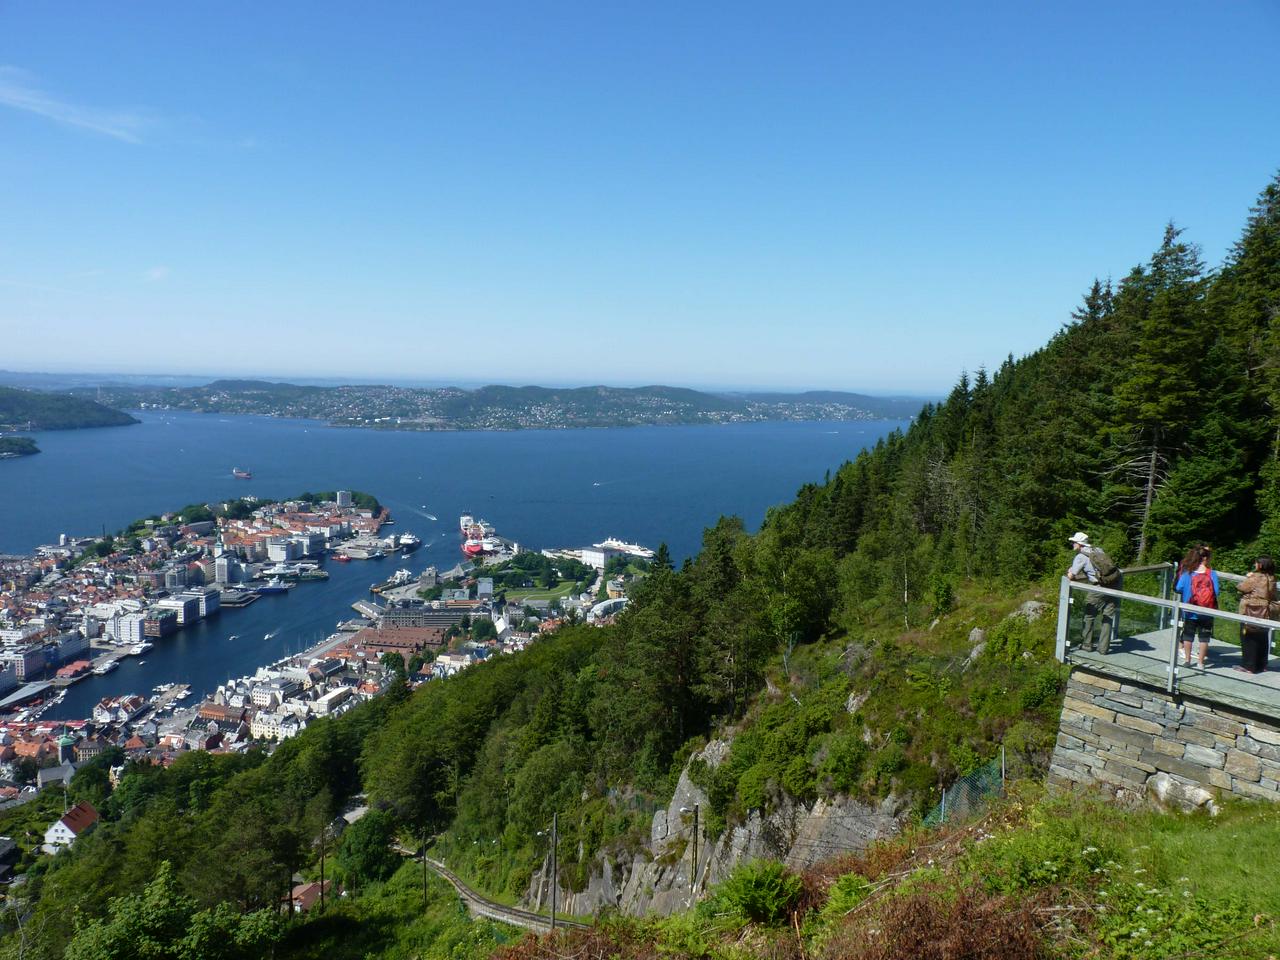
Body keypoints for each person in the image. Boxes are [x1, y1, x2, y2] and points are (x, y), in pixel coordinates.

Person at [1066, 531, 1117, 654]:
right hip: (1115, 583)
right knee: (1108, 616)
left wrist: (1069, 571)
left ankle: (1087, 645)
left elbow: (1071, 576)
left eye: (1074, 542)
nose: (1072, 544)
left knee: (1088, 615)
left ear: (1079, 544)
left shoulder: (1080, 557)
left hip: (1099, 586)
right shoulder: (1098, 550)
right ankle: (1103, 649)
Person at [1173, 544, 1219, 669]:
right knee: (1204, 638)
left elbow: (1178, 588)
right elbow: (1217, 591)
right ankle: (1200, 663)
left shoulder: (1188, 573)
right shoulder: (1212, 573)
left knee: (1188, 636)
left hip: (1190, 610)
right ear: (1206, 559)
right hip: (1207, 611)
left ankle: (1187, 660)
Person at [1236, 555, 1276, 675]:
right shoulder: (1272, 578)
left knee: (1248, 637)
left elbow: (1241, 587)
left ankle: (1249, 666)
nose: (1255, 564)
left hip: (1251, 609)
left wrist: (1248, 577)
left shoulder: (1255, 577)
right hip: (1266, 611)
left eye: (1256, 563)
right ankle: (1261, 664)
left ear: (1260, 565)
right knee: (1262, 637)